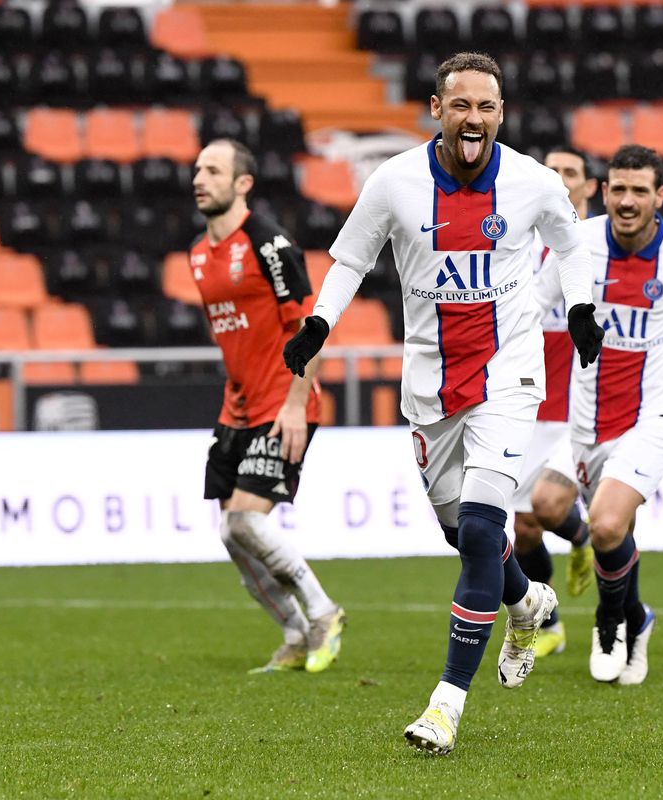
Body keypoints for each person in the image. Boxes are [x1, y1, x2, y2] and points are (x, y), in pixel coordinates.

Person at [283, 52, 602, 755]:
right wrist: (318, 323)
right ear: (437, 110)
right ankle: (526, 603)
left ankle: (445, 704)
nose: (474, 118)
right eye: (461, 105)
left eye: (486, 106)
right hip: (430, 387)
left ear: (501, 114)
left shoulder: (533, 182)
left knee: (487, 527)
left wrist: (579, 309)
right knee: (464, 537)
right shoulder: (393, 182)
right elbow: (349, 262)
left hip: (509, 378)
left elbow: (571, 243)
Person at [538, 144, 663, 686]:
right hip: (586, 420)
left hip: (656, 413)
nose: (628, 201)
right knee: (560, 510)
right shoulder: (577, 244)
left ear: (660, 196)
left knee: (605, 522)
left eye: (640, 191)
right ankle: (637, 616)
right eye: (619, 189)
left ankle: (609, 622)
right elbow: (534, 306)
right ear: (604, 192)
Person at [189, 138, 346, 675]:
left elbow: (311, 329)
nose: (199, 178)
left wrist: (298, 402)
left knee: (247, 523)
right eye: (197, 169)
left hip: (284, 400)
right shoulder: (197, 254)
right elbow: (235, 338)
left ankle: (324, 613)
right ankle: (295, 633)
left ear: (243, 184)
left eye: (213, 170)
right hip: (238, 407)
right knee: (231, 530)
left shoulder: (269, 244)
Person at [511, 145, 600, 659]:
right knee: (523, 527)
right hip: (528, 407)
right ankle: (550, 624)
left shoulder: (601, 248)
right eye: (553, 172)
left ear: (590, 187)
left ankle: (592, 546)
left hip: (582, 410)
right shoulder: (522, 247)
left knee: (547, 506)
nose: (562, 180)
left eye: (571, 173)